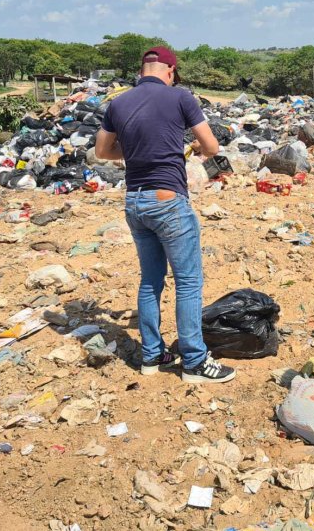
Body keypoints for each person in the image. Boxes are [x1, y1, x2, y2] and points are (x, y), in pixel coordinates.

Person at [94, 46, 236, 384]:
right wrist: (195, 147)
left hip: (135, 201)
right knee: (188, 281)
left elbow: (102, 151)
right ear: (170, 71)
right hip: (167, 200)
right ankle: (195, 362)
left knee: (150, 281)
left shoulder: (119, 102)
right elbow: (212, 147)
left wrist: (137, 148)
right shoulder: (181, 98)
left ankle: (152, 356)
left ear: (143, 70)